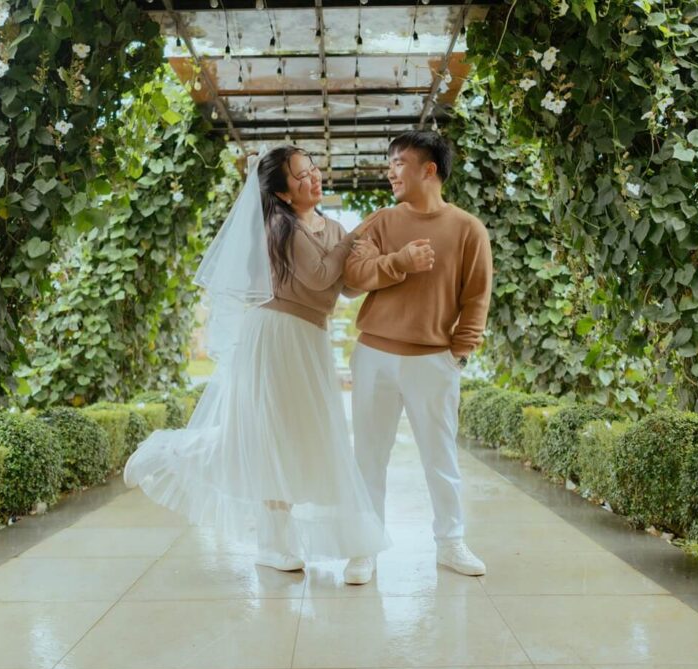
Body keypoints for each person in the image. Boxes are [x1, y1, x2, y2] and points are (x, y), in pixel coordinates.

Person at [125, 146, 425, 571]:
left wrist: (389, 263)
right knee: (269, 437)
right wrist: (356, 238)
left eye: (313, 169)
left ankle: (283, 542)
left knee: (298, 438)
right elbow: (319, 276)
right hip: (276, 336)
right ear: (283, 193)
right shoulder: (279, 227)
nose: (314, 178)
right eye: (302, 176)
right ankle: (172, 456)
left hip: (310, 339)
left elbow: (344, 287)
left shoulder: (332, 227)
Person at [341, 131, 494, 585]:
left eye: (399, 162)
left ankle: (450, 542)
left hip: (434, 360)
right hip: (374, 354)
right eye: (389, 162)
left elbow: (477, 297)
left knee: (440, 457)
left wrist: (458, 354)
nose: (390, 171)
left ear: (429, 169)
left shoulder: (468, 229)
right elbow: (352, 275)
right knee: (368, 456)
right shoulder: (381, 221)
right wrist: (400, 263)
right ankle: (365, 547)